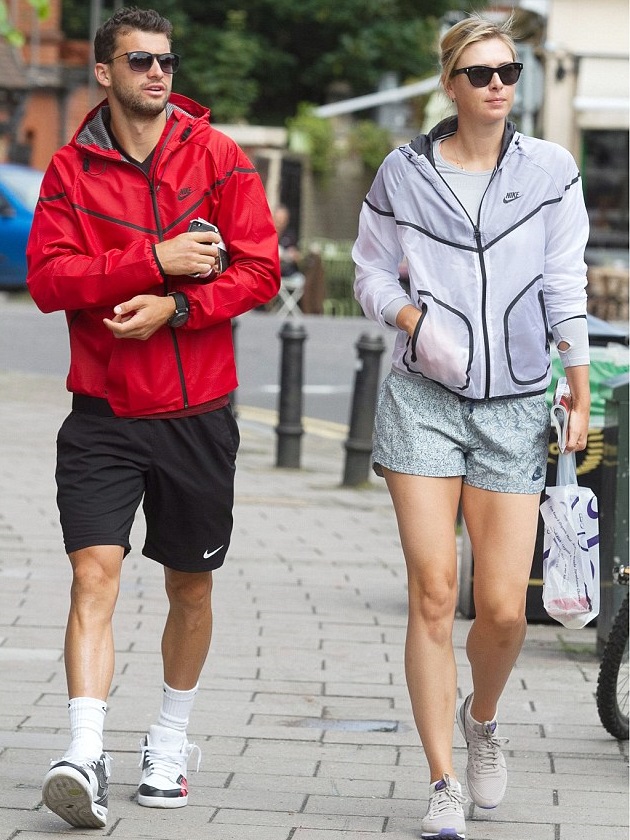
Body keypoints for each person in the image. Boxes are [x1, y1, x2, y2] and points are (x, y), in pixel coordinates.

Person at [26, 6, 279, 830]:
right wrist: (153, 260)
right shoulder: (70, 170)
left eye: (166, 60)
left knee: (189, 585)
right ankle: (83, 753)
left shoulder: (218, 157)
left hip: (196, 414)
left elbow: (261, 270)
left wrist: (177, 305)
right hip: (101, 413)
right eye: (140, 61)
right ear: (104, 72)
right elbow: (49, 281)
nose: (158, 73)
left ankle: (167, 742)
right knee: (93, 574)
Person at [352, 14, 590, 840]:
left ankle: (482, 718)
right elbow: (369, 270)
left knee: (503, 610)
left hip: (517, 403)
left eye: (509, 72)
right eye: (481, 73)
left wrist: (578, 380)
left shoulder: (550, 170)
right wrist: (412, 318)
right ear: (450, 85)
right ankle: (443, 780)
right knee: (433, 592)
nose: (498, 86)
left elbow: (565, 279)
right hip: (423, 398)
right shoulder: (404, 171)